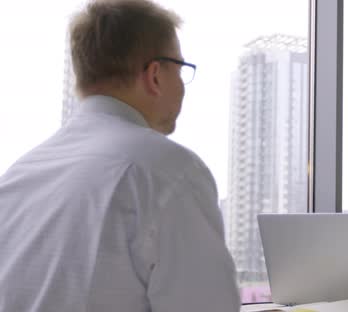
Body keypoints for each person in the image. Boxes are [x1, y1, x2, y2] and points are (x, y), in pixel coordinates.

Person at [0, 0, 240, 311]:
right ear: (155, 75)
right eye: (180, 69)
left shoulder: (19, 176)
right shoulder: (168, 172)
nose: (182, 85)